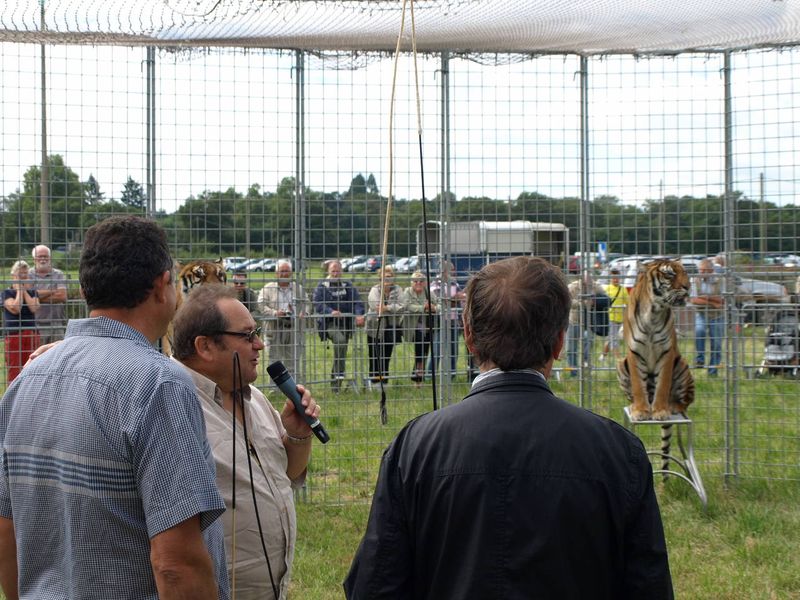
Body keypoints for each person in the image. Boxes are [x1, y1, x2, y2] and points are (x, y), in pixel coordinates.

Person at [344, 256, 673, 599]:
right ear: (560, 343)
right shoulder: (619, 452)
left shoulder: (415, 447)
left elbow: (375, 586)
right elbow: (648, 587)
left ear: (469, 337)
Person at [0, 216, 229, 600]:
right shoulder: (159, 386)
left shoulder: (25, 381)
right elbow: (177, 565)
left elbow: (6, 532)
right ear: (161, 286)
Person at [172, 284, 320, 600]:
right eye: (247, 336)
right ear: (206, 346)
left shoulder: (257, 400)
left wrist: (297, 435)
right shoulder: (171, 406)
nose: (260, 345)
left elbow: (288, 475)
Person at [313, 259, 365, 391]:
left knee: (341, 352)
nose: (335, 274)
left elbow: (357, 301)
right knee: (340, 342)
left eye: (338, 271)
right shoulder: (322, 286)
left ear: (341, 271)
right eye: (333, 271)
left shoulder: (347, 284)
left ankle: (336, 383)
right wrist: (330, 312)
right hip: (329, 324)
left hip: (345, 324)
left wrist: (359, 314)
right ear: (328, 272)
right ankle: (336, 380)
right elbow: (318, 303)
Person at [258, 260, 309, 378]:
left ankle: (292, 387)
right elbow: (261, 305)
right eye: (281, 271)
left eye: (287, 271)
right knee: (274, 360)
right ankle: (274, 389)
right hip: (274, 328)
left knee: (293, 360)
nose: (284, 274)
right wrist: (275, 313)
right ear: (276, 273)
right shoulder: (267, 288)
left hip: (293, 328)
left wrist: (304, 312)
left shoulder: (298, 288)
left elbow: (307, 303)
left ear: (291, 273)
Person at [365, 266, 404, 384]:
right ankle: (374, 381)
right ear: (380, 278)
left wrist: (387, 307)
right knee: (374, 355)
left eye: (390, 277)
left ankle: (384, 381)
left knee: (386, 355)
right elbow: (375, 306)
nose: (387, 279)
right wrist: (390, 308)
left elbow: (402, 306)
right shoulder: (375, 289)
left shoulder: (398, 289)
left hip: (391, 327)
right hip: (374, 327)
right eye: (385, 277)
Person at [3, 260, 40, 384]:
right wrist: (19, 290)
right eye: (20, 274)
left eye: (25, 274)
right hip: (14, 334)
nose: (23, 277)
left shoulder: (32, 292)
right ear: (13, 275)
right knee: (14, 368)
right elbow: (16, 308)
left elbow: (34, 307)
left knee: (32, 366)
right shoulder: (6, 293)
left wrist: (23, 290)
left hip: (31, 333)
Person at [428, 261, 465, 378]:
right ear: (444, 271)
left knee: (454, 349)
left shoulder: (454, 283)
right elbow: (440, 300)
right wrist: (454, 299)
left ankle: (452, 375)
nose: (453, 272)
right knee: (437, 350)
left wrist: (453, 300)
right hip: (440, 321)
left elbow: (462, 297)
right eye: (451, 270)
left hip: (454, 321)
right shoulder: (435, 284)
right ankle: (430, 375)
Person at [689, 258, 725, 376]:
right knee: (699, 330)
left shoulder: (720, 280)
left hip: (718, 315)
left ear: (711, 270)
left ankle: (713, 371)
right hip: (702, 313)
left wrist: (704, 297)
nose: (702, 273)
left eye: (705, 271)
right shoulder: (695, 280)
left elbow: (723, 300)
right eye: (701, 270)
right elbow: (694, 299)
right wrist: (712, 302)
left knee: (717, 343)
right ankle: (700, 358)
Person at [403, 270, 439, 384]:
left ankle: (418, 377)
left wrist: (434, 308)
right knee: (420, 350)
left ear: (425, 283)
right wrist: (423, 308)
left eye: (421, 281)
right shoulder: (407, 291)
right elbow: (407, 305)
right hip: (413, 327)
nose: (418, 283)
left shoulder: (429, 292)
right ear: (411, 282)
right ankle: (418, 377)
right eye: (415, 281)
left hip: (428, 327)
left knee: (425, 351)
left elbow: (439, 304)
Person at [567, 271, 606, 374]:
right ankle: (573, 371)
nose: (588, 283)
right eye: (586, 282)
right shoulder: (572, 286)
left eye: (590, 281)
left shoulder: (596, 286)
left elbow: (606, 298)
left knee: (588, 342)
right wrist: (580, 303)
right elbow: (566, 301)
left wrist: (594, 301)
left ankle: (586, 365)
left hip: (590, 322)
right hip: (574, 321)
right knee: (572, 347)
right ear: (582, 280)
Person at [29, 245, 68, 344]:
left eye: (45, 256)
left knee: (58, 356)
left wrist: (37, 297)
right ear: (34, 259)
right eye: (40, 256)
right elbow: (28, 298)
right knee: (37, 356)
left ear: (50, 258)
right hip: (35, 324)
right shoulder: (28, 275)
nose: (43, 259)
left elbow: (62, 296)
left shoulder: (58, 274)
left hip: (56, 323)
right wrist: (53, 291)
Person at [600, 267, 629, 361]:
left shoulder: (623, 289)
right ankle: (619, 360)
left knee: (610, 338)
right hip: (610, 317)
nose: (615, 279)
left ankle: (603, 356)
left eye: (617, 277)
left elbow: (628, 302)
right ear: (610, 278)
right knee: (613, 340)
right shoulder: (607, 289)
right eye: (613, 277)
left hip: (620, 318)